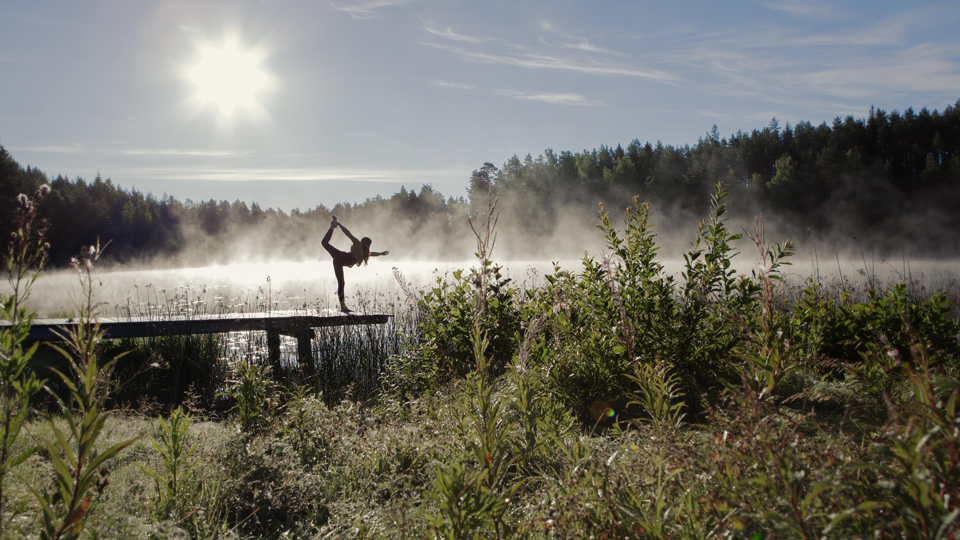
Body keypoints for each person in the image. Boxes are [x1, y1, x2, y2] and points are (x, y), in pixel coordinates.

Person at [321, 216, 389, 313]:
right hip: (341, 257)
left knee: (341, 283)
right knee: (341, 283)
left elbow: (371, 253)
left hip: (339, 260)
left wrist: (381, 253)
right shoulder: (361, 248)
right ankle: (332, 226)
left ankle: (343, 306)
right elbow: (348, 233)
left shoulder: (363, 251)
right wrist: (338, 224)